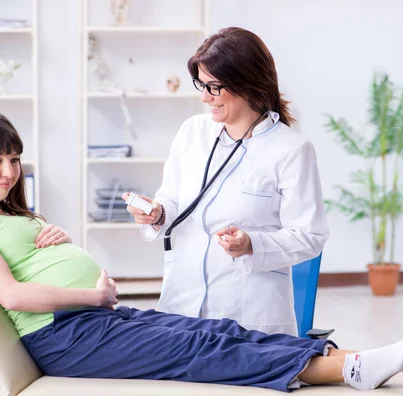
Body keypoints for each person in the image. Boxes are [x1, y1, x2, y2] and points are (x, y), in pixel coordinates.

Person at [0, 111, 403, 392]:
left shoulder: (6, 212)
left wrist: (55, 241)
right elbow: (11, 294)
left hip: (92, 320)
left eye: (14, 159)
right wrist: (92, 295)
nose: (9, 171)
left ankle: (353, 358)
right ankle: (350, 370)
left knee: (215, 331)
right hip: (65, 336)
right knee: (198, 351)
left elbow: (25, 262)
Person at [123, 27, 329, 335]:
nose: (205, 97)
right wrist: (158, 213)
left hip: (250, 315)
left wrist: (252, 245)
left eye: (214, 87)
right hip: (183, 306)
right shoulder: (192, 132)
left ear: (247, 83)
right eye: (201, 85)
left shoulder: (291, 150)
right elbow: (173, 200)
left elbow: (310, 235)